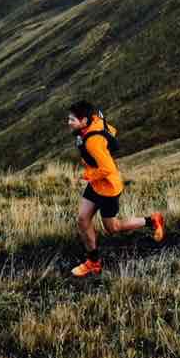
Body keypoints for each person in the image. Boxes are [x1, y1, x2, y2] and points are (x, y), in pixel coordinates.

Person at [67, 100, 166, 277]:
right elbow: (111, 131)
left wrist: (87, 175)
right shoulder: (95, 121)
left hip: (108, 190)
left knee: (113, 228)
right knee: (82, 220)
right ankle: (93, 263)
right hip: (97, 185)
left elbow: (107, 169)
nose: (69, 122)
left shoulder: (92, 142)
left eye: (72, 119)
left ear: (84, 121)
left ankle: (152, 220)